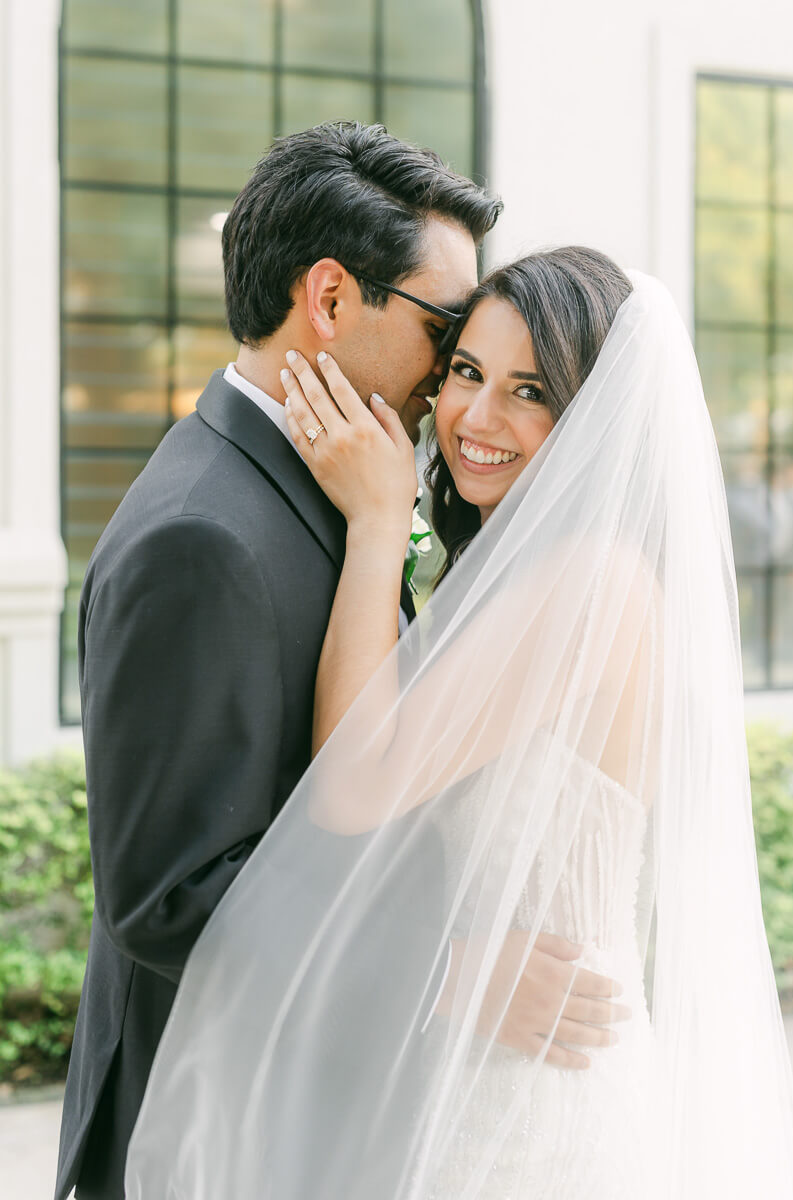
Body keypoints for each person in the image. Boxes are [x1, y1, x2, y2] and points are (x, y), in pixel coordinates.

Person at [125, 249, 793, 1198]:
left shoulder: (587, 579)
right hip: (477, 1066)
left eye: (530, 391)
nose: (477, 418)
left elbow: (356, 781)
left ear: (594, 417)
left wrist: (375, 521)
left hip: (533, 1103)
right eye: (468, 373)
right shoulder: (527, 564)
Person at [55, 127, 626, 1200]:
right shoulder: (206, 533)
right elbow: (168, 895)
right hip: (214, 1122)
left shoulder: (330, 480)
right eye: (448, 334)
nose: (455, 391)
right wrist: (450, 971)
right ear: (329, 299)